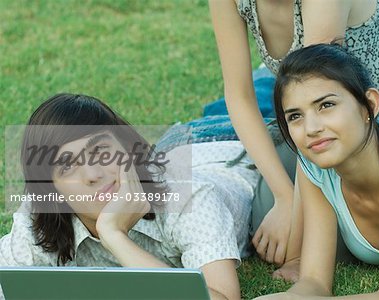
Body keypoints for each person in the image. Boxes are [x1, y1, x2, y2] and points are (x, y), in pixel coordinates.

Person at [208, 0, 379, 273]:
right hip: (320, 121)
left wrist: (297, 255)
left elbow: (315, 85)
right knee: (266, 211)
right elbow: (239, 96)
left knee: (331, 233)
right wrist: (284, 197)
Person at [0, 93, 261, 300]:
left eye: (100, 150)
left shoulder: (189, 198)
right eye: (67, 166)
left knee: (276, 81)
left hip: (235, 143)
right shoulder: (39, 216)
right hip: (177, 146)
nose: (92, 173)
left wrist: (114, 235)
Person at [256, 44, 379, 299]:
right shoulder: (315, 165)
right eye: (295, 116)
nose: (311, 128)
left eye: (326, 105)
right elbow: (314, 282)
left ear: (369, 104)